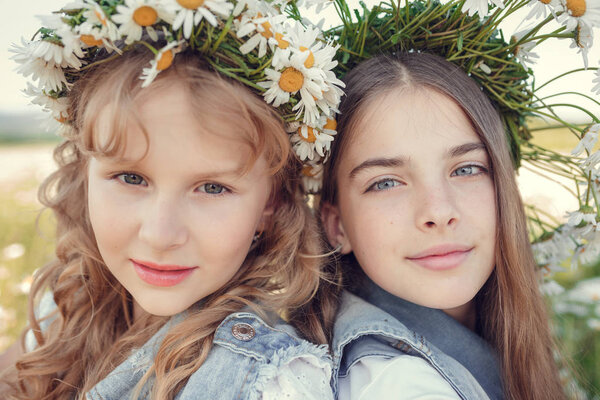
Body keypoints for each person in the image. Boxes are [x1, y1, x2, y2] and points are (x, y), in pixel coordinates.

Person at [0, 1, 344, 398]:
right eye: (131, 178)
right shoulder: (66, 305)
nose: (161, 235)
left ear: (272, 205)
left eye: (213, 188)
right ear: (85, 175)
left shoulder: (268, 383)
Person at [319, 52, 566, 399]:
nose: (439, 211)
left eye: (466, 169)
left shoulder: (498, 346)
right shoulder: (398, 384)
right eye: (386, 182)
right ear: (337, 226)